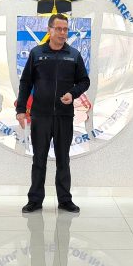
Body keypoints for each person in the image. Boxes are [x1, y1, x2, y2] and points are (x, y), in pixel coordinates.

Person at [16, 13, 90, 214]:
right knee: (38, 159)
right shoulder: (37, 53)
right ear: (49, 30)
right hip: (40, 115)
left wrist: (72, 93)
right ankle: (34, 200)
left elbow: (84, 81)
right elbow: (26, 82)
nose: (62, 33)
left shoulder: (74, 54)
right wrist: (21, 109)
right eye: (58, 29)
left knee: (63, 160)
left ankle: (65, 200)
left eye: (65, 29)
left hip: (64, 116)